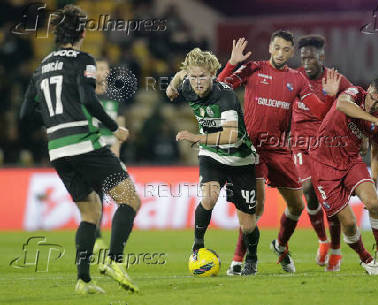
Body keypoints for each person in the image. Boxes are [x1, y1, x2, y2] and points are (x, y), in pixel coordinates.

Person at [20, 4, 140, 293]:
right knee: (130, 200)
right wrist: (114, 128)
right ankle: (115, 260)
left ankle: (83, 280)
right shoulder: (83, 59)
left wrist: (53, 119)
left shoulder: (41, 67)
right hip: (85, 145)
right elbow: (88, 99)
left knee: (90, 213)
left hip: (58, 151)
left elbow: (25, 114)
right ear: (83, 32)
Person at [216, 31, 341, 275]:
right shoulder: (253, 68)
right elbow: (221, 86)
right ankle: (239, 261)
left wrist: (330, 95)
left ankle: (281, 247)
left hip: (280, 150)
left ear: (291, 52)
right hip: (251, 148)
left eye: (286, 49)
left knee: (297, 206)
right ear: (270, 48)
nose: (281, 53)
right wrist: (232, 62)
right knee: (256, 208)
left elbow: (319, 111)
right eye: (277, 48)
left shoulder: (297, 79)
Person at [167, 48, 260, 276]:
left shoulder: (225, 96)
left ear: (212, 75)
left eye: (202, 76)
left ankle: (253, 258)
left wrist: (196, 137)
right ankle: (198, 245)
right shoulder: (187, 82)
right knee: (209, 197)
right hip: (212, 155)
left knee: (247, 223)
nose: (197, 82)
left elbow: (230, 136)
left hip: (240, 158)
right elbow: (180, 76)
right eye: (193, 76)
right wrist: (171, 87)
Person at [309, 73, 378, 275]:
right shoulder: (353, 93)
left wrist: (375, 177)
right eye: (373, 100)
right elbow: (343, 105)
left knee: (374, 203)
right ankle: (366, 259)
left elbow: (377, 148)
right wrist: (373, 120)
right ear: (369, 89)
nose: (374, 107)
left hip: (351, 161)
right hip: (322, 164)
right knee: (350, 223)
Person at [291, 34, 353, 271]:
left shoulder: (336, 80)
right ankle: (322, 241)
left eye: (311, 57)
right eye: (303, 57)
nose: (307, 61)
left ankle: (336, 251)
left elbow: (356, 101)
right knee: (307, 189)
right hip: (300, 144)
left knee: (330, 202)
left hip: (327, 147)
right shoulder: (294, 78)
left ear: (322, 56)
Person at [93, 58, 127, 255]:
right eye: (98, 68)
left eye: (105, 68)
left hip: (111, 152)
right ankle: (96, 235)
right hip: (92, 150)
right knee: (95, 195)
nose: (102, 72)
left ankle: (117, 242)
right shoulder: (86, 96)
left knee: (124, 197)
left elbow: (121, 125)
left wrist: (117, 149)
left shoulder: (115, 97)